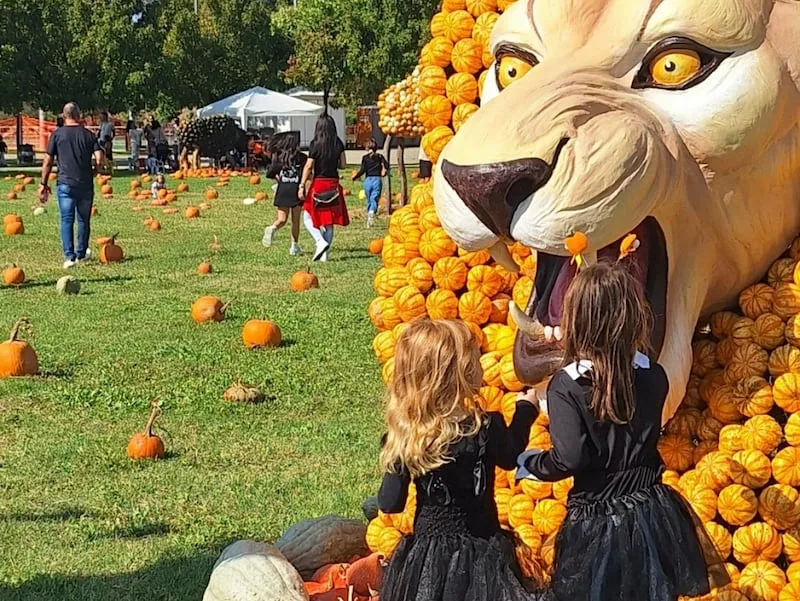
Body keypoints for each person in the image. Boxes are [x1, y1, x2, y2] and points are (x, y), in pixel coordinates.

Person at [517, 262, 729, 601]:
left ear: (576, 322)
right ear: (633, 317)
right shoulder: (654, 377)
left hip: (597, 522)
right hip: (652, 511)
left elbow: (570, 457)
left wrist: (530, 464)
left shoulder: (567, 387)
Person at [378, 319, 544, 601]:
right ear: (460, 372)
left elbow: (389, 503)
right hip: (482, 553)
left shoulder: (406, 439)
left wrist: (398, 456)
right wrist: (525, 411)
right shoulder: (485, 427)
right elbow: (510, 456)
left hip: (429, 560)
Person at [38, 102, 104, 269]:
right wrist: (96, 170)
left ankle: (69, 257)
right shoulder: (89, 135)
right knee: (84, 219)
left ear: (64, 115)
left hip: (65, 183)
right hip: (85, 184)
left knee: (67, 219)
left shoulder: (57, 135)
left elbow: (48, 161)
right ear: (79, 115)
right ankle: (81, 252)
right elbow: (99, 158)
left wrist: (43, 184)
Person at [299, 114, 349, 262]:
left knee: (307, 216)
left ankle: (320, 242)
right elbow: (343, 165)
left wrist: (302, 185)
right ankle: (324, 256)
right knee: (329, 221)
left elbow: (309, 166)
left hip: (319, 183)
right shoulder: (338, 143)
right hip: (333, 184)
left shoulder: (315, 143)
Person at [262, 132, 307, 256]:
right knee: (295, 220)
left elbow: (270, 173)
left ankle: (272, 228)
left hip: (283, 190)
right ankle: (294, 246)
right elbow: (307, 173)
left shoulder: (279, 157)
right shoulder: (302, 157)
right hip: (296, 190)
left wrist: (279, 181)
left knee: (282, 219)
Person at [351, 138, 387, 227]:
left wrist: (355, 177)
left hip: (367, 181)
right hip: (376, 180)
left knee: (369, 199)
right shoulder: (380, 157)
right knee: (374, 198)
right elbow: (387, 165)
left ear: (367, 148)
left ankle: (369, 215)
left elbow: (362, 170)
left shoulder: (365, 158)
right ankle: (371, 212)